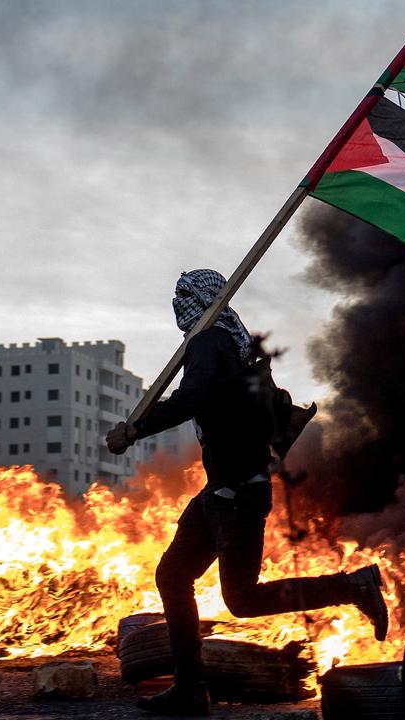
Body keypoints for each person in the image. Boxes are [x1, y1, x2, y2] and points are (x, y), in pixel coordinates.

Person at [107, 269, 388, 717]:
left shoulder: (207, 343)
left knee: (241, 599)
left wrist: (135, 430)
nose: (177, 306)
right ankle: (190, 689)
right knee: (174, 577)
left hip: (234, 493)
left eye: (182, 297)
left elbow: (192, 398)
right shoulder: (241, 350)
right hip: (225, 489)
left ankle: (352, 586)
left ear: (196, 301)